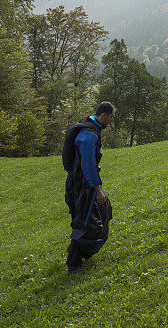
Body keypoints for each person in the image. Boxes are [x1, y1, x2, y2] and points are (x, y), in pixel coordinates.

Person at [62, 101, 115, 272]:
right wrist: (97, 189)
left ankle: (80, 256)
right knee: (83, 223)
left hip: (80, 183)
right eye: (111, 117)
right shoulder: (89, 134)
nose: (111, 121)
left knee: (99, 214)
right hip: (81, 186)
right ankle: (74, 263)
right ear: (104, 115)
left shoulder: (90, 126)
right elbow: (88, 164)